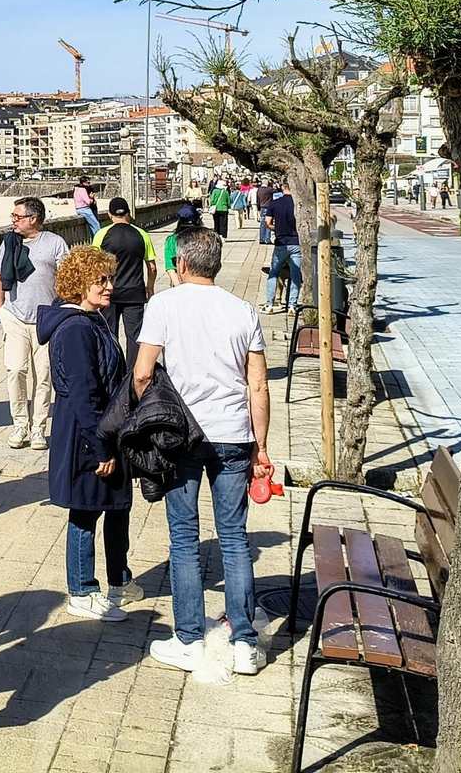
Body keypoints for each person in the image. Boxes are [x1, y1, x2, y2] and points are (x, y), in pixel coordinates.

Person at [134, 228, 271, 677]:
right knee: (234, 540)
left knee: (185, 539)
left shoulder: (164, 306)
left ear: (183, 265)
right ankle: (243, 643)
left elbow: (141, 373)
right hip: (234, 434)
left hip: (182, 436)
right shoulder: (243, 310)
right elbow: (258, 384)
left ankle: (190, 638)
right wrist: (261, 446)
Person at [39, 246, 133, 621]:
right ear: (80, 286)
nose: (109, 286)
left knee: (110, 506)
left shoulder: (92, 321)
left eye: (109, 278)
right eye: (101, 281)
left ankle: (118, 579)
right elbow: (83, 393)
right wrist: (100, 448)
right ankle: (82, 590)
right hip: (84, 434)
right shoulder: (76, 328)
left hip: (99, 428)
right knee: (85, 512)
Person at [0, 198, 67, 449]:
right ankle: (20, 423)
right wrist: (1, 310)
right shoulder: (9, 242)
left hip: (46, 319)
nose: (13, 220)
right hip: (14, 316)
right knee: (15, 370)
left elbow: (67, 279)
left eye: (17, 216)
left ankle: (38, 428)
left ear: (33, 219)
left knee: (44, 375)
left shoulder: (55, 243)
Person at [96, 197, 155, 369]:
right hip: (135, 292)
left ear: (109, 214)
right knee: (135, 336)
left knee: (109, 333)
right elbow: (151, 266)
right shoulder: (141, 234)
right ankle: (132, 374)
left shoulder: (102, 234)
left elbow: (93, 265)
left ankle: (111, 369)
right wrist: (149, 287)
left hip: (109, 292)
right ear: (129, 213)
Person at [262, 178, 301, 314]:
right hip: (296, 242)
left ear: (283, 187)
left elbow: (267, 222)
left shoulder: (275, 203)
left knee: (274, 272)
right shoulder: (298, 204)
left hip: (281, 242)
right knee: (296, 275)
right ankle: (292, 305)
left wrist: (276, 229)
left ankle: (270, 304)